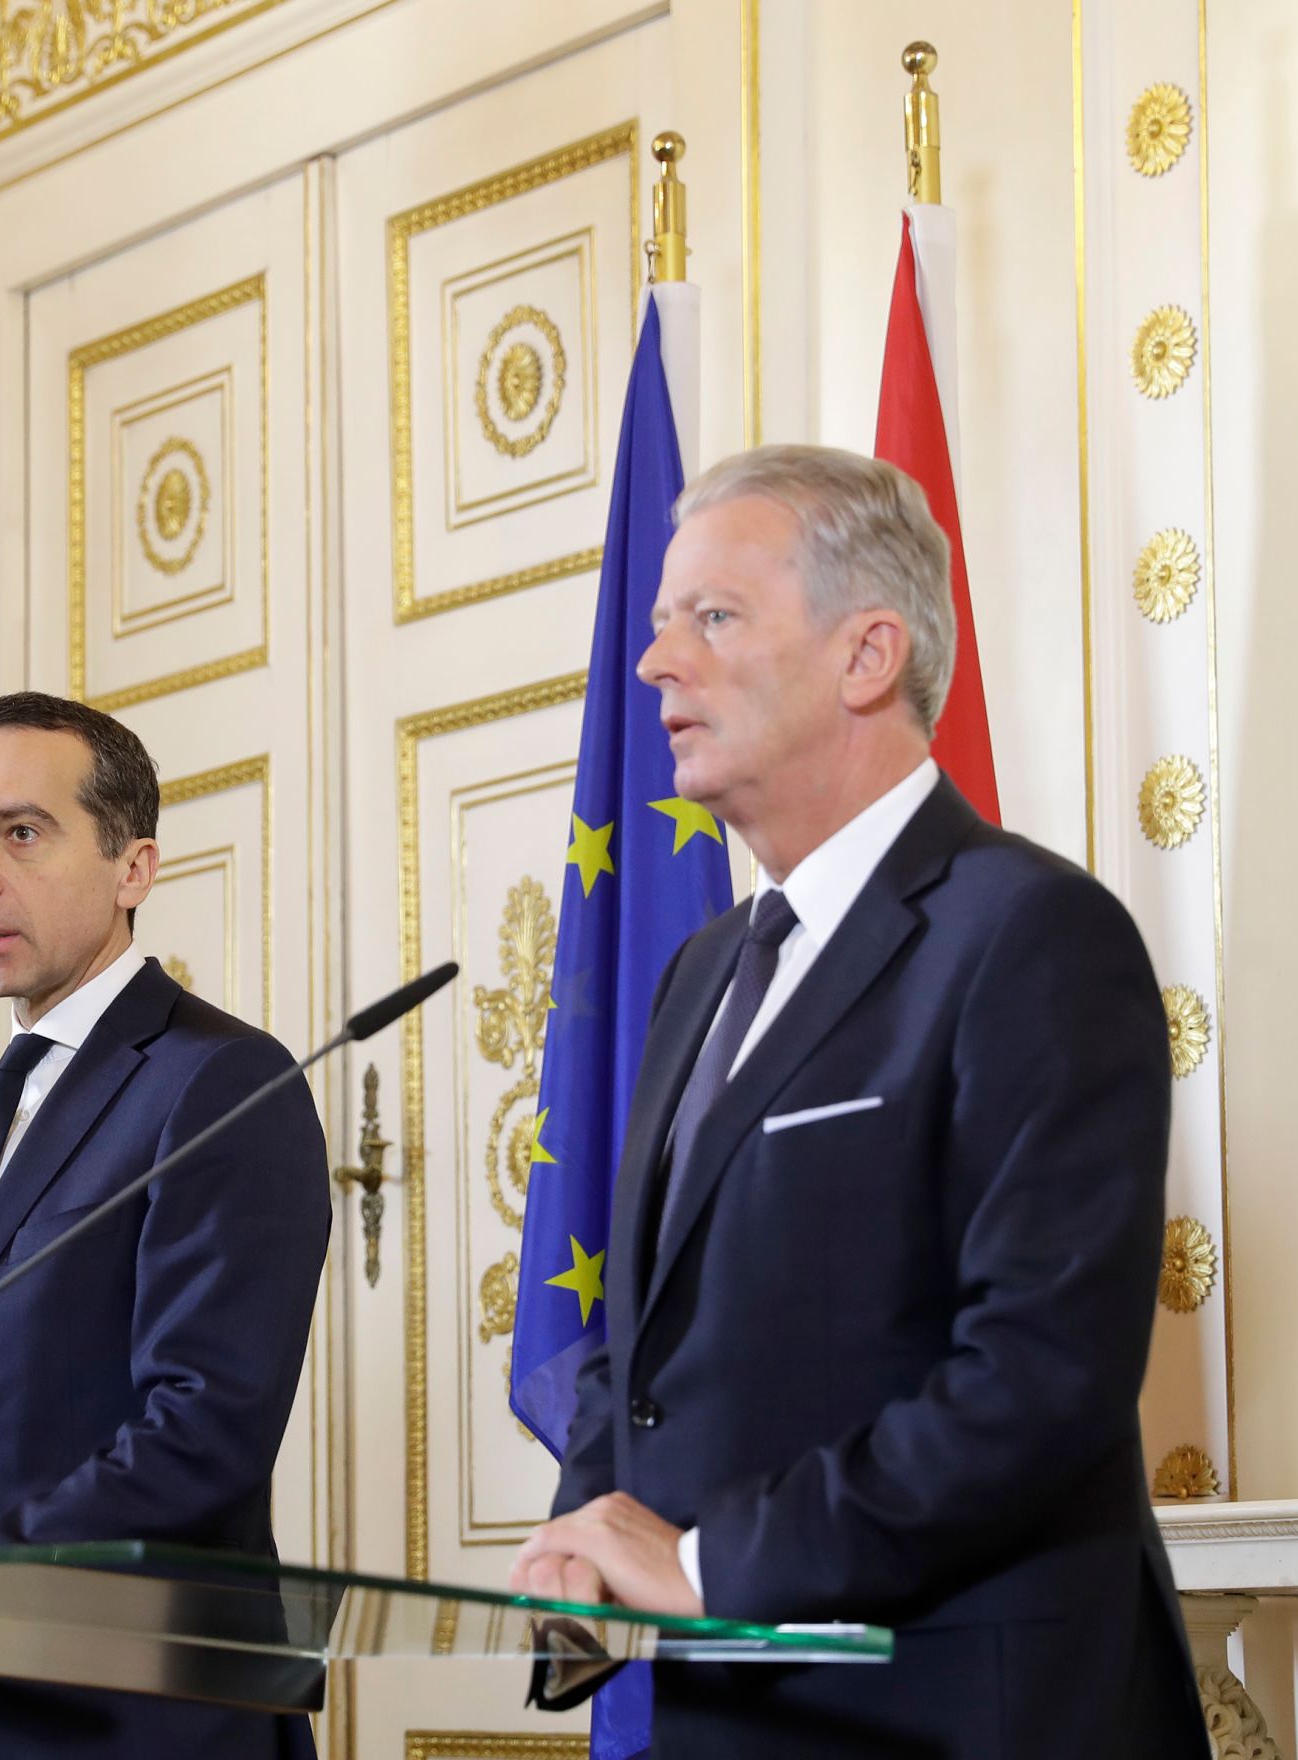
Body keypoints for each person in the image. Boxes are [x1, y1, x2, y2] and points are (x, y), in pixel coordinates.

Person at [508, 446, 1205, 1757]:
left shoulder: (1032, 934)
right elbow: (645, 1347)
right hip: (729, 1716)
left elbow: (1039, 1381)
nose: (654, 663)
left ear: (868, 654)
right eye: (659, 623)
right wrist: (586, 1553)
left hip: (962, 1719)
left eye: (713, 617)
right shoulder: (702, 970)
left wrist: (705, 1568)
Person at [0, 691, 330, 1760]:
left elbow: (204, 1428)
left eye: (22, 832)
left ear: (134, 868)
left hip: (132, 1714)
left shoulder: (223, 1081)